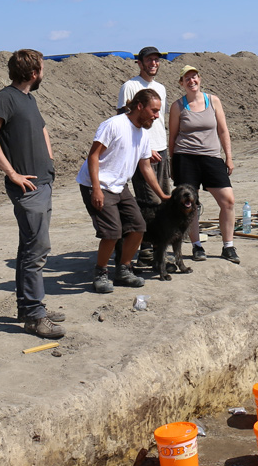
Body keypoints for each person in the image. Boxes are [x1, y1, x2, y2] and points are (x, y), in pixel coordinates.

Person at [0, 49, 65, 338]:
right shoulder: (6, 97)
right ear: (33, 73)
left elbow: (41, 129)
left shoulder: (29, 99)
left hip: (42, 183)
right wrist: (12, 173)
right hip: (27, 189)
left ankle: (28, 307)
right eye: (42, 68)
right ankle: (34, 317)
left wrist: (50, 162)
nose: (44, 73)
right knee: (36, 250)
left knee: (29, 248)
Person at [78, 90, 169, 294]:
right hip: (97, 184)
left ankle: (123, 269)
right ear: (139, 106)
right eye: (153, 111)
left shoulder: (143, 134)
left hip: (119, 185)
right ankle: (100, 273)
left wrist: (162, 195)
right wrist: (96, 189)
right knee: (112, 232)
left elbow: (145, 167)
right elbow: (93, 156)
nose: (156, 116)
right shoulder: (114, 125)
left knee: (138, 226)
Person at [168, 65, 238, 263]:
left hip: (211, 158)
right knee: (190, 205)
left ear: (200, 79)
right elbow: (172, 137)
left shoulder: (213, 101)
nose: (192, 81)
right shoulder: (177, 106)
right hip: (185, 158)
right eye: (187, 79)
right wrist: (173, 164)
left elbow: (223, 131)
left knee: (228, 200)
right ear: (181, 83)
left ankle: (228, 246)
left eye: (194, 77)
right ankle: (197, 246)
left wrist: (229, 157)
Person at [117, 46, 171, 270]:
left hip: (162, 148)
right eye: (149, 60)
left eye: (156, 60)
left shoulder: (161, 88)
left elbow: (158, 120)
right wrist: (144, 149)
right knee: (149, 201)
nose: (153, 64)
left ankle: (156, 246)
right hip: (142, 152)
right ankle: (145, 251)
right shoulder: (130, 86)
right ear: (139, 63)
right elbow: (124, 118)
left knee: (163, 200)